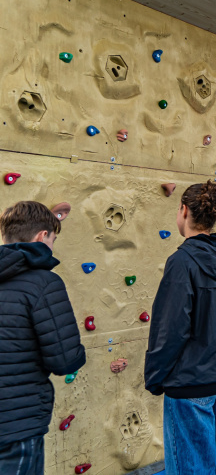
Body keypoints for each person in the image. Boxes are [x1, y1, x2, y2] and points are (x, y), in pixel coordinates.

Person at [144, 182, 216, 475]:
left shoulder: (182, 262)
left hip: (191, 383)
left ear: (184, 211)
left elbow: (170, 328)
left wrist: (155, 378)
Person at [0, 201, 86, 475]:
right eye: (53, 239)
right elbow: (65, 361)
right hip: (17, 423)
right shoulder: (44, 283)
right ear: (41, 236)